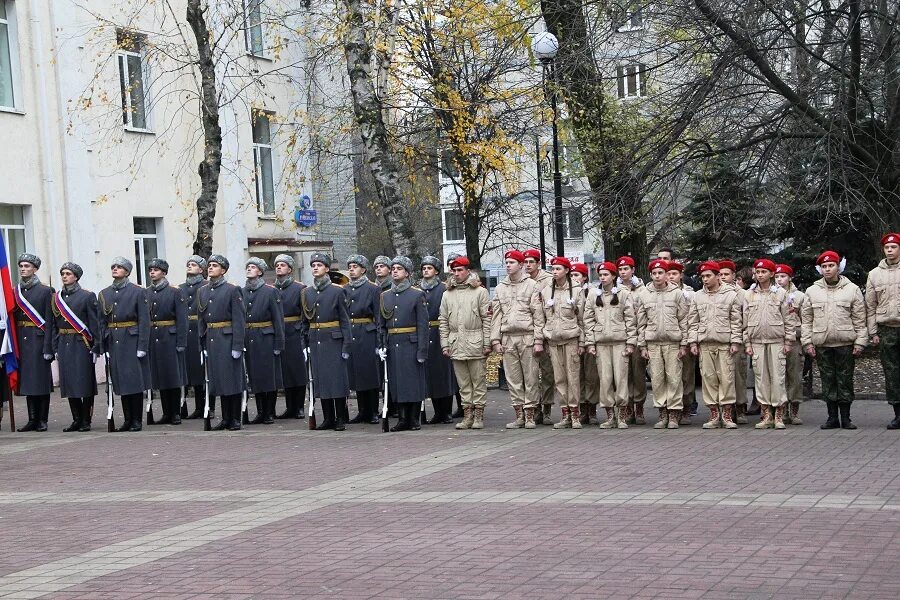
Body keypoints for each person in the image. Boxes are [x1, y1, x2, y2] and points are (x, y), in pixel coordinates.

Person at [802, 251, 867, 429]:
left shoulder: (851, 289)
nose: (827, 269)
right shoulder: (812, 291)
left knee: (845, 380)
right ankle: (832, 417)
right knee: (827, 380)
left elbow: (860, 319)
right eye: (824, 266)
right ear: (819, 269)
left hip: (845, 343)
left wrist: (860, 341)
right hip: (822, 344)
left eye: (831, 265)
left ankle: (846, 418)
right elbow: (806, 320)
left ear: (838, 267)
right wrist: (807, 342)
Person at [491, 250, 545, 429]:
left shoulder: (532, 285)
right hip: (508, 337)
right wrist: (495, 340)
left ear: (521, 265)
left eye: (512, 262)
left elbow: (538, 315)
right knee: (513, 379)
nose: (508, 265)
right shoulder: (500, 288)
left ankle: (530, 414)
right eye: (506, 262)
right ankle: (519, 415)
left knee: (530, 377)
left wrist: (538, 340)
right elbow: (496, 317)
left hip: (527, 336)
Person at [98, 257, 151, 432]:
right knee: (120, 382)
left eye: (119, 267)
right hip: (114, 341)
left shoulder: (137, 292)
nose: (115, 269)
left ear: (127, 272)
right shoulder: (104, 293)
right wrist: (103, 344)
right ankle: (127, 419)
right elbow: (101, 322)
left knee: (133, 382)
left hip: (132, 340)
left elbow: (144, 320)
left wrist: (142, 346)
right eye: (113, 266)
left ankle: (136, 420)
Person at [687, 261, 742, 429]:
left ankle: (727, 415)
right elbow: (693, 321)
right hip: (705, 343)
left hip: (724, 343)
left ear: (718, 276)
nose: (705, 279)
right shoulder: (697, 296)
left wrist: (735, 341)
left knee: (726, 378)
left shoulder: (731, 295)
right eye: (702, 276)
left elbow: (736, 321)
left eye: (708, 276)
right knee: (709, 379)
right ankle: (713, 415)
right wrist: (693, 341)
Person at [439, 256, 492, 430]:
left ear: (468, 271)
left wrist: (487, 343)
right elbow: (443, 321)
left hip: (475, 341)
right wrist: (445, 344)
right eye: (454, 271)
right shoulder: (447, 294)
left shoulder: (480, 292)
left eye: (460, 270)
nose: (456, 274)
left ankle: (478, 416)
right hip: (456, 343)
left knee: (478, 381)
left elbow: (487, 319)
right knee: (463, 384)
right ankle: (467, 415)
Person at [583, 261, 637, 428]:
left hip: (620, 342)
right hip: (601, 343)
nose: (603, 277)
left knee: (621, 379)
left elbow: (630, 319)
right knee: (605, 379)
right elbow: (588, 319)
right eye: (601, 275)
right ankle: (609, 416)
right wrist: (590, 343)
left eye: (606, 274)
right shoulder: (593, 294)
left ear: (614, 276)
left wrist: (630, 342)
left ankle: (622, 415)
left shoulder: (623, 293)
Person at [301, 253, 352, 431]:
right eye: (313, 265)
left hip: (334, 339)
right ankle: (328, 417)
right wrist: (304, 344)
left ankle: (340, 418)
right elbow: (304, 322)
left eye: (319, 265)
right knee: (321, 380)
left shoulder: (338, 291)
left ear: (327, 269)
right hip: (315, 340)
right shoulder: (307, 292)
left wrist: (346, 344)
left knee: (336, 380)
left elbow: (345, 320)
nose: (315, 267)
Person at [636, 259, 689, 428]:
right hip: (653, 343)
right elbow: (641, 323)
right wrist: (642, 346)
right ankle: (662, 413)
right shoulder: (644, 294)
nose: (657, 276)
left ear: (667, 274)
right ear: (650, 275)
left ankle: (674, 413)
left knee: (674, 378)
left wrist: (684, 344)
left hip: (673, 342)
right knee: (657, 379)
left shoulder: (677, 293)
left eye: (661, 273)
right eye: (654, 273)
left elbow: (684, 320)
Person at [378, 256, 429, 431]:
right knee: (397, 383)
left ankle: (413, 419)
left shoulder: (416, 294)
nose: (394, 271)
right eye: (393, 268)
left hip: (411, 343)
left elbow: (423, 325)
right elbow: (382, 324)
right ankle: (402, 418)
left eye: (399, 269)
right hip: (393, 345)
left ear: (407, 273)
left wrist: (422, 350)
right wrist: (382, 345)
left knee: (412, 382)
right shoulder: (385, 296)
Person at [743, 258, 794, 429]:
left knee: (778, 378)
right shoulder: (749, 294)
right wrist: (747, 342)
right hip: (757, 342)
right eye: (757, 272)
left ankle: (778, 414)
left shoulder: (781, 294)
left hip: (776, 341)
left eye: (764, 272)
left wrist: (788, 341)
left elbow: (789, 320)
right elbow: (744, 322)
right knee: (761, 379)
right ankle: (766, 415)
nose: (760, 275)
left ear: (772, 274)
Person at [197, 255, 246, 431]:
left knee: (231, 380)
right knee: (219, 381)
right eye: (209, 265)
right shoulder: (202, 291)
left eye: (215, 265)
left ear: (223, 270)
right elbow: (201, 319)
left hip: (227, 338)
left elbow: (239, 320)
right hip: (212, 339)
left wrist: (237, 345)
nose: (210, 268)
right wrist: (201, 344)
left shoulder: (232, 290)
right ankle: (225, 418)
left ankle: (235, 418)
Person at [51, 263, 101, 432]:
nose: (64, 276)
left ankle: (86, 420)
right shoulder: (57, 298)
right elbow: (53, 325)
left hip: (82, 343)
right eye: (63, 273)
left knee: (84, 382)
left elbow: (95, 324)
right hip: (64, 342)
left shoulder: (87, 296)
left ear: (76, 277)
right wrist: (55, 346)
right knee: (69, 383)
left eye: (68, 274)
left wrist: (96, 347)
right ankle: (76, 418)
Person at [540, 257, 586, 429]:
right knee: (559, 378)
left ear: (566, 270)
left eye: (558, 268)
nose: (555, 271)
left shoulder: (576, 290)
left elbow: (582, 319)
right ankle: (565, 414)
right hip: (553, 340)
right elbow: (542, 317)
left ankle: (575, 414)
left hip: (571, 339)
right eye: (553, 268)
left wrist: (582, 343)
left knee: (572, 377)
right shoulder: (546, 291)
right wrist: (543, 338)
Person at [12, 253, 55, 432]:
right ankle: (32, 419)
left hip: (38, 339)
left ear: (35, 269)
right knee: (28, 382)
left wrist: (48, 346)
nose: (23, 268)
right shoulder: (15, 291)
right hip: (21, 340)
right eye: (21, 265)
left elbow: (50, 321)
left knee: (41, 381)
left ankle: (42, 420)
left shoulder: (46, 291)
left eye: (27, 266)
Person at [145, 259, 188, 426]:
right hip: (154, 338)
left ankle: (175, 412)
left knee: (172, 376)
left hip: (170, 337)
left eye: (156, 270)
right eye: (150, 270)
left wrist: (181, 342)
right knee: (160, 376)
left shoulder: (175, 292)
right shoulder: (146, 293)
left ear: (164, 272)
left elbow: (182, 319)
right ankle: (166, 413)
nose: (152, 273)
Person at [243, 257, 284, 425]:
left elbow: (278, 318)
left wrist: (278, 343)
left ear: (260, 271)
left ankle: (269, 412)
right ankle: (260, 411)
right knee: (254, 376)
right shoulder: (241, 291)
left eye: (253, 267)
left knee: (268, 376)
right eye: (248, 267)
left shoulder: (270, 291)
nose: (249, 269)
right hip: (249, 336)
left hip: (266, 337)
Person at [866, 233, 900, 429]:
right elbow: (870, 306)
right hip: (887, 328)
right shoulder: (874, 274)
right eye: (887, 247)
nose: (890, 250)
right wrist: (873, 332)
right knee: (892, 372)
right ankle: (898, 414)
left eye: (894, 247)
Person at [344, 255, 381, 424]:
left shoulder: (373, 289)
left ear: (363, 270)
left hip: (367, 333)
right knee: (356, 373)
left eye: (355, 266)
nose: (352, 269)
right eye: (350, 266)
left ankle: (373, 410)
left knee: (369, 373)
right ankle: (362, 410)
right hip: (351, 332)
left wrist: (379, 341)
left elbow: (378, 317)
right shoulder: (345, 289)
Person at [420, 256, 456, 424]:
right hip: (425, 333)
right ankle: (437, 411)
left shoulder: (444, 288)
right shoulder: (417, 289)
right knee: (431, 374)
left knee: (444, 373)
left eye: (429, 268)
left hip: (440, 331)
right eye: (424, 268)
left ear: (436, 271)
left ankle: (446, 411)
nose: (426, 271)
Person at [523, 248, 555, 424]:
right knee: (531, 375)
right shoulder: (522, 281)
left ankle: (547, 408)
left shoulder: (548, 280)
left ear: (538, 263)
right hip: (530, 331)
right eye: (525, 262)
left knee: (548, 373)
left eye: (531, 262)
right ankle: (534, 409)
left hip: (547, 332)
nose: (528, 265)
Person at [273, 254, 307, 420]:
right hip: (279, 332)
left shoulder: (300, 288)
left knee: (297, 370)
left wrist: (302, 332)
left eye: (283, 265)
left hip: (294, 331)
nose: (279, 267)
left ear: (290, 269)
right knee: (284, 371)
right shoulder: (272, 289)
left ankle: (299, 406)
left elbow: (305, 313)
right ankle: (289, 407)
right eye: (277, 265)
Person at [774, 264, 806, 424]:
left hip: (794, 341)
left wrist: (800, 336)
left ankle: (794, 410)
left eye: (783, 276)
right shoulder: (771, 294)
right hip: (776, 340)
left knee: (794, 376)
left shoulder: (799, 296)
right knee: (778, 377)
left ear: (790, 278)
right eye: (777, 277)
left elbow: (805, 320)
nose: (780, 280)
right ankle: (781, 409)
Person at [617, 256, 647, 424]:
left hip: (637, 335)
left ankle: (640, 407)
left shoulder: (642, 289)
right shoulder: (615, 289)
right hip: (621, 336)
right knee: (624, 375)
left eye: (626, 269)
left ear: (633, 270)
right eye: (620, 270)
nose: (623, 272)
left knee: (638, 373)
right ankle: (627, 407)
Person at [719, 259, 749, 422]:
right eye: (721, 274)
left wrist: (742, 340)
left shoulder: (742, 294)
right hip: (721, 340)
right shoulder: (717, 292)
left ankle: (740, 408)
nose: (723, 277)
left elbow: (746, 319)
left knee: (738, 376)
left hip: (737, 341)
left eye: (726, 274)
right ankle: (724, 410)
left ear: (733, 275)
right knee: (722, 377)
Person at [668, 259, 698, 424]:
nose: (671, 277)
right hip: (670, 340)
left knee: (687, 376)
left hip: (685, 340)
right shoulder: (663, 292)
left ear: (681, 276)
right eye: (669, 274)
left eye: (674, 274)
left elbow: (692, 319)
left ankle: (687, 407)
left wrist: (690, 340)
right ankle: (673, 409)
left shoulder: (690, 293)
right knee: (672, 377)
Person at [179, 256, 208, 419]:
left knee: (202, 371)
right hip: (185, 332)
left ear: (201, 269)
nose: (190, 267)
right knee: (188, 371)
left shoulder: (206, 286)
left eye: (194, 265)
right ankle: (185, 407)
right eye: (188, 264)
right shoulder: (180, 288)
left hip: (200, 330)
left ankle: (204, 406)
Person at [572, 263, 599, 424]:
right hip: (574, 339)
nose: (574, 278)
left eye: (577, 275)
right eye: (572, 275)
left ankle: (592, 408)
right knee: (577, 375)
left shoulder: (593, 293)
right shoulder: (570, 292)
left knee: (591, 375)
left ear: (584, 277)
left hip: (590, 338)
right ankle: (581, 407)